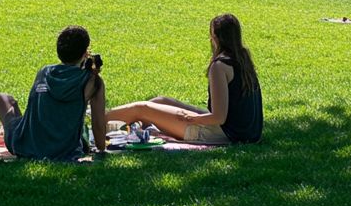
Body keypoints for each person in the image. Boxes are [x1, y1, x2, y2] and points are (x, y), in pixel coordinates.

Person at [106, 14, 263, 145]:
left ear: (215, 37)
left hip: (225, 134)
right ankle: (125, 127)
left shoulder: (220, 66)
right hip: (245, 132)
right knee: (160, 101)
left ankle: (95, 120)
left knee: (141, 109)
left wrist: (191, 119)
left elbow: (219, 118)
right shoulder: (242, 58)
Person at [0, 25, 109, 160]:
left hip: (24, 145)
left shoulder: (44, 72)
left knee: (2, 98)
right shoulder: (92, 81)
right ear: (85, 53)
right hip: (63, 151)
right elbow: (99, 129)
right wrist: (101, 149)